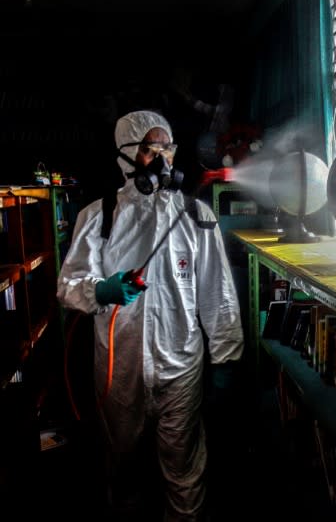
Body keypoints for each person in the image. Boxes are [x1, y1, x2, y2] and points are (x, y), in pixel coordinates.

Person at [57, 110, 244, 521]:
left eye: (167, 148)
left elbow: (219, 295)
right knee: (122, 467)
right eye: (148, 149)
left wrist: (226, 359)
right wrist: (101, 289)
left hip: (181, 368)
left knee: (184, 472)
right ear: (126, 156)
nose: (161, 158)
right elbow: (68, 286)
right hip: (118, 370)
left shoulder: (197, 217)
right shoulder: (99, 217)